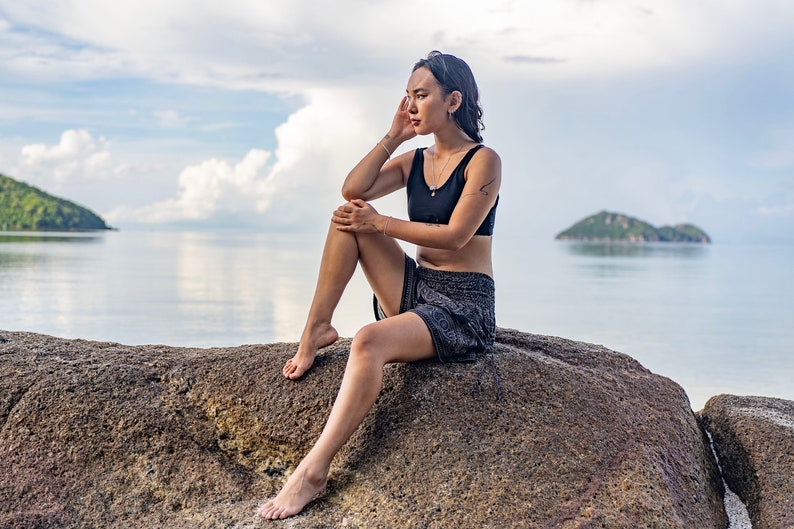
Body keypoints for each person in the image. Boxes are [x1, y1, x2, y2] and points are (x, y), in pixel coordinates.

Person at [258, 50, 501, 521]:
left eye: (421, 95)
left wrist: (383, 224)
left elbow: (455, 237)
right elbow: (354, 188)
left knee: (368, 341)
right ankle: (317, 329)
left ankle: (313, 471)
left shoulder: (483, 161)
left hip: (462, 306)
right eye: (408, 95)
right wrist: (393, 136)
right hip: (416, 289)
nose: (411, 104)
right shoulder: (414, 161)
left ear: (453, 101)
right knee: (348, 217)